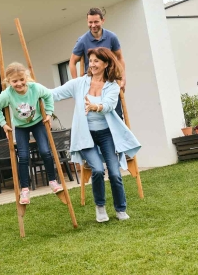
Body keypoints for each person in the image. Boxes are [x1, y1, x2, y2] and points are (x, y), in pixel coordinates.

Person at [51, 47, 141, 222]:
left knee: (114, 173)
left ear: (106, 63)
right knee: (98, 170)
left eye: (96, 61)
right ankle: (100, 208)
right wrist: (29, 87)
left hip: (107, 134)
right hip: (86, 135)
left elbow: (108, 105)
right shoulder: (79, 83)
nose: (92, 64)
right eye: (90, 61)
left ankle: (120, 209)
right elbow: (54, 93)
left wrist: (95, 107)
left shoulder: (112, 86)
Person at [0, 62, 62, 205]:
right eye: (14, 81)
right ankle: (24, 189)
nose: (19, 84)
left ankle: (53, 181)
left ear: (26, 78)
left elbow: (48, 95)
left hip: (37, 123)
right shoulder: (7, 94)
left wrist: (48, 113)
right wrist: (3, 124)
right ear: (8, 82)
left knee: (45, 151)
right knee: (22, 156)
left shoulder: (35, 88)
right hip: (21, 127)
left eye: (21, 79)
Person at [68, 8, 126, 119]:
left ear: (102, 21)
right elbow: (72, 62)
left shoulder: (112, 37)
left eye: (96, 22)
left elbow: (120, 58)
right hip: (91, 84)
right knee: (95, 116)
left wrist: (123, 79)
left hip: (109, 81)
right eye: (90, 22)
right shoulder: (82, 40)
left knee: (116, 115)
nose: (93, 25)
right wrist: (77, 84)